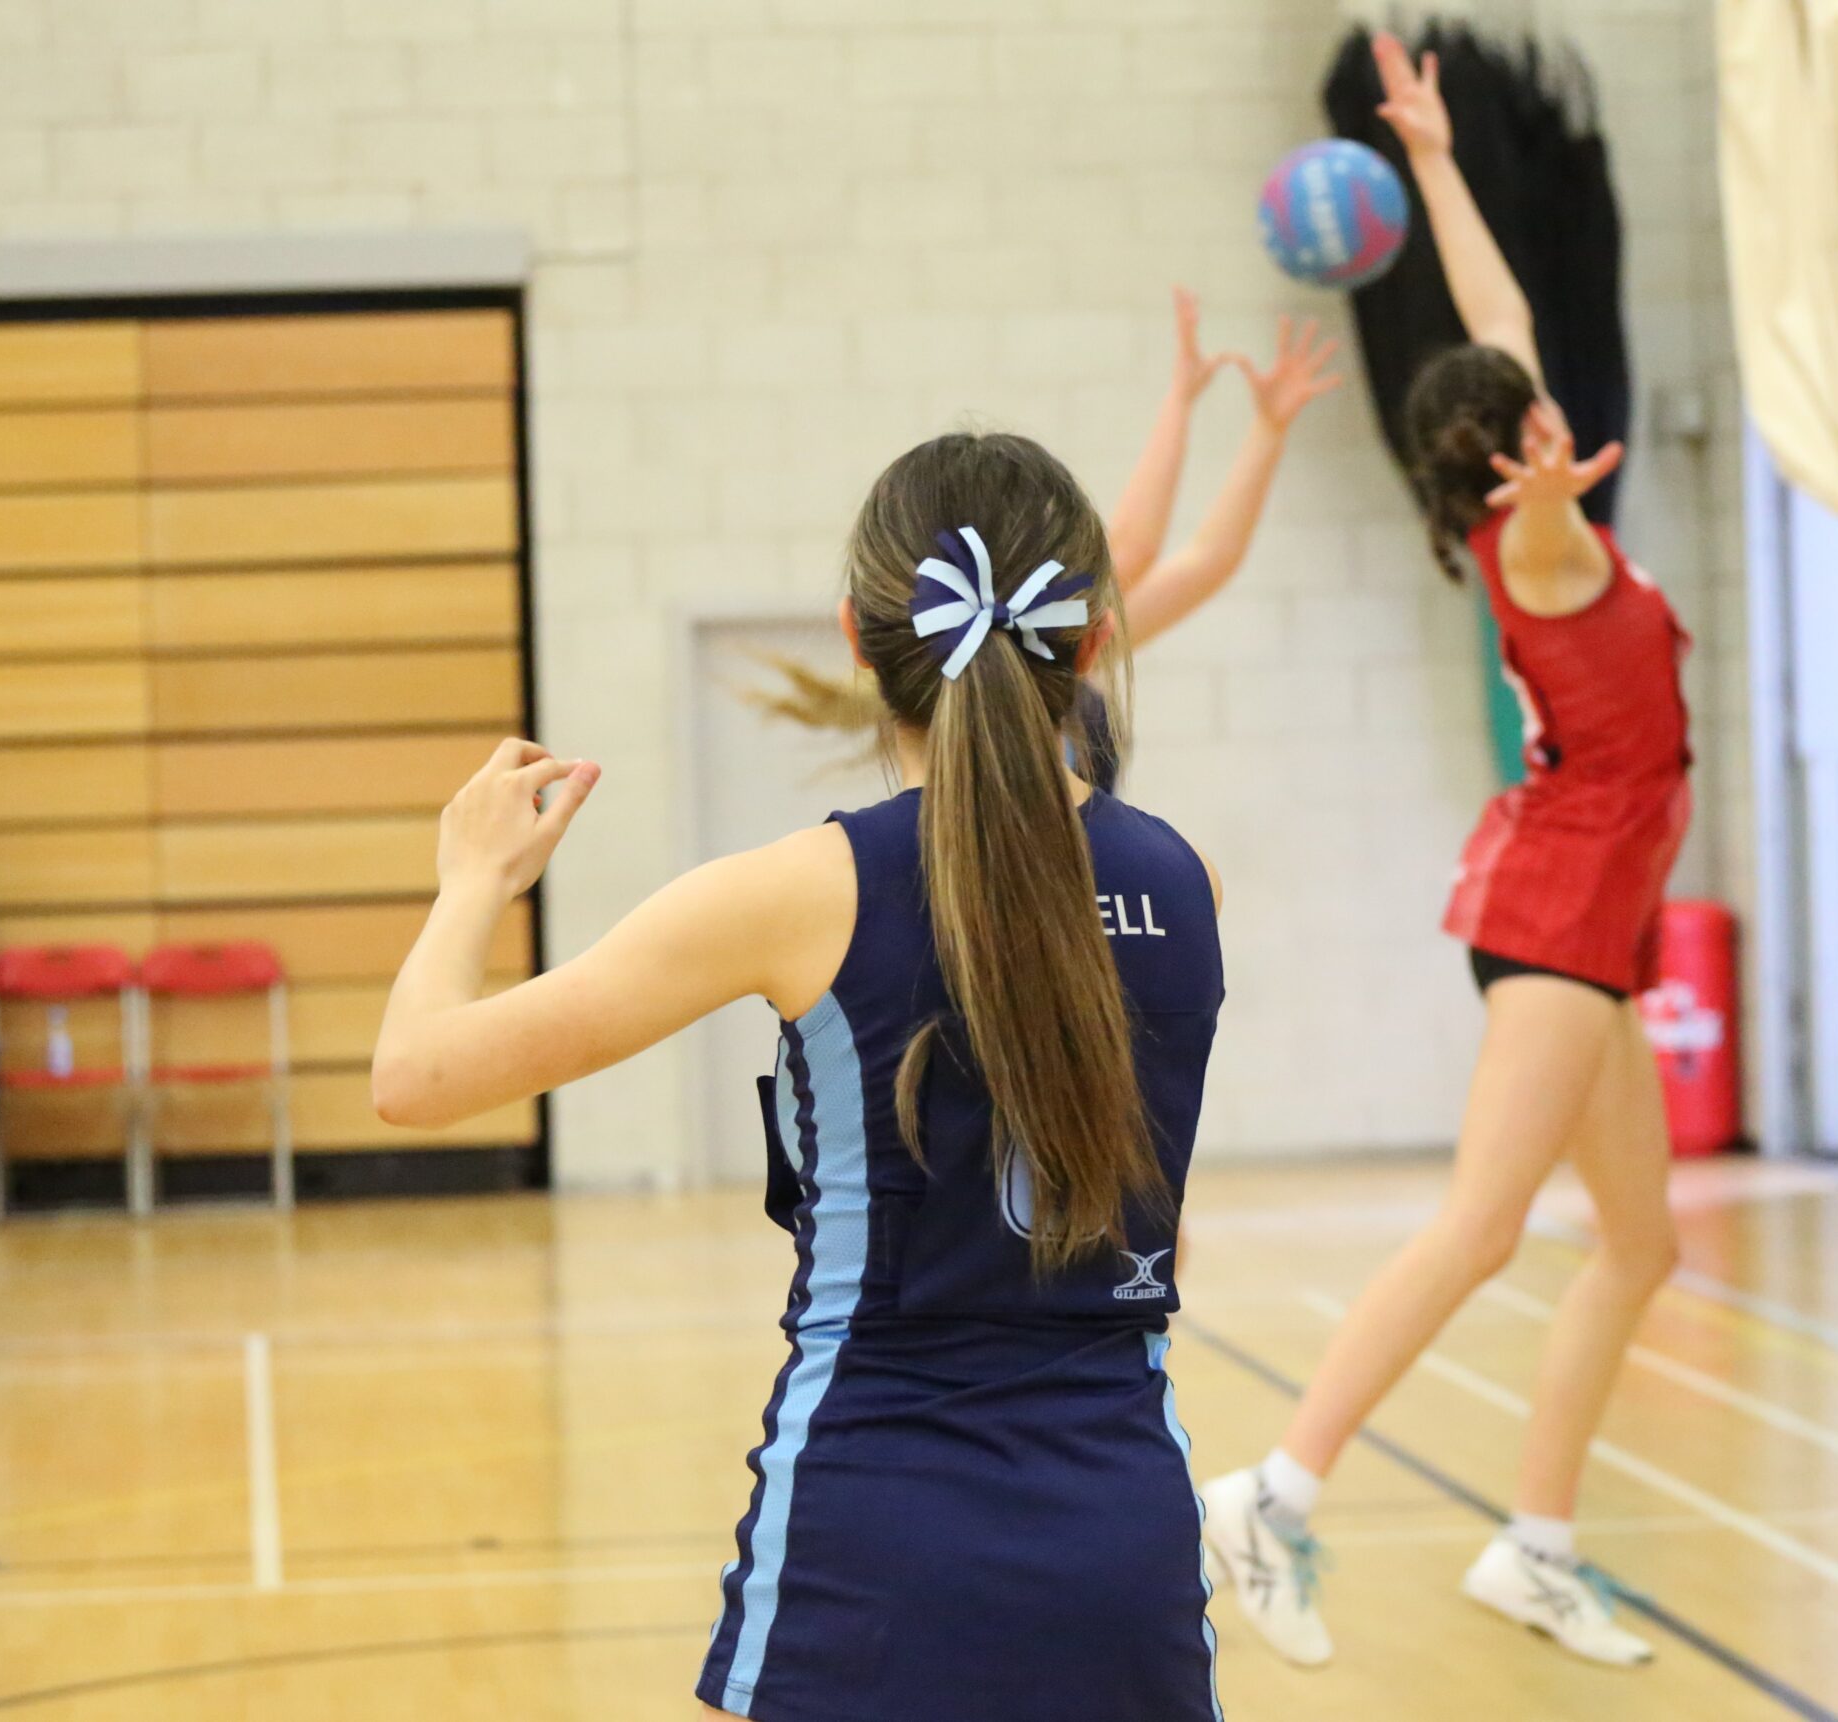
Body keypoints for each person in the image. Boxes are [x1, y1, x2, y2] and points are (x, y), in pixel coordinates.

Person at [373, 431, 1227, 1722]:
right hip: (1127, 1531)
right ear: (1095, 642)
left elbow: (417, 1076)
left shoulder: (797, 892)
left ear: (857, 639)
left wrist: (472, 883)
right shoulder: (1182, 879)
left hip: (872, 1522)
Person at [1199, 32, 1688, 1672]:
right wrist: (1549, 494)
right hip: (1554, 920)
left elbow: (1499, 312)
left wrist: (1431, 157)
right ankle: (1271, 1492)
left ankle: (1534, 1546)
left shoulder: (1533, 515)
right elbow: (1537, 491)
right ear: (1511, 455)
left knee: (1641, 1245)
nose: (1549, 404)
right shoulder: (1540, 546)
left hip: (1592, 923)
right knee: (1483, 1227)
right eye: (1532, 418)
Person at [748, 289, 1342, 793]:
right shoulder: (1037, 649)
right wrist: (1182, 402)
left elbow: (1208, 561)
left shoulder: (1050, 647)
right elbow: (1133, 553)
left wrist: (1265, 429)